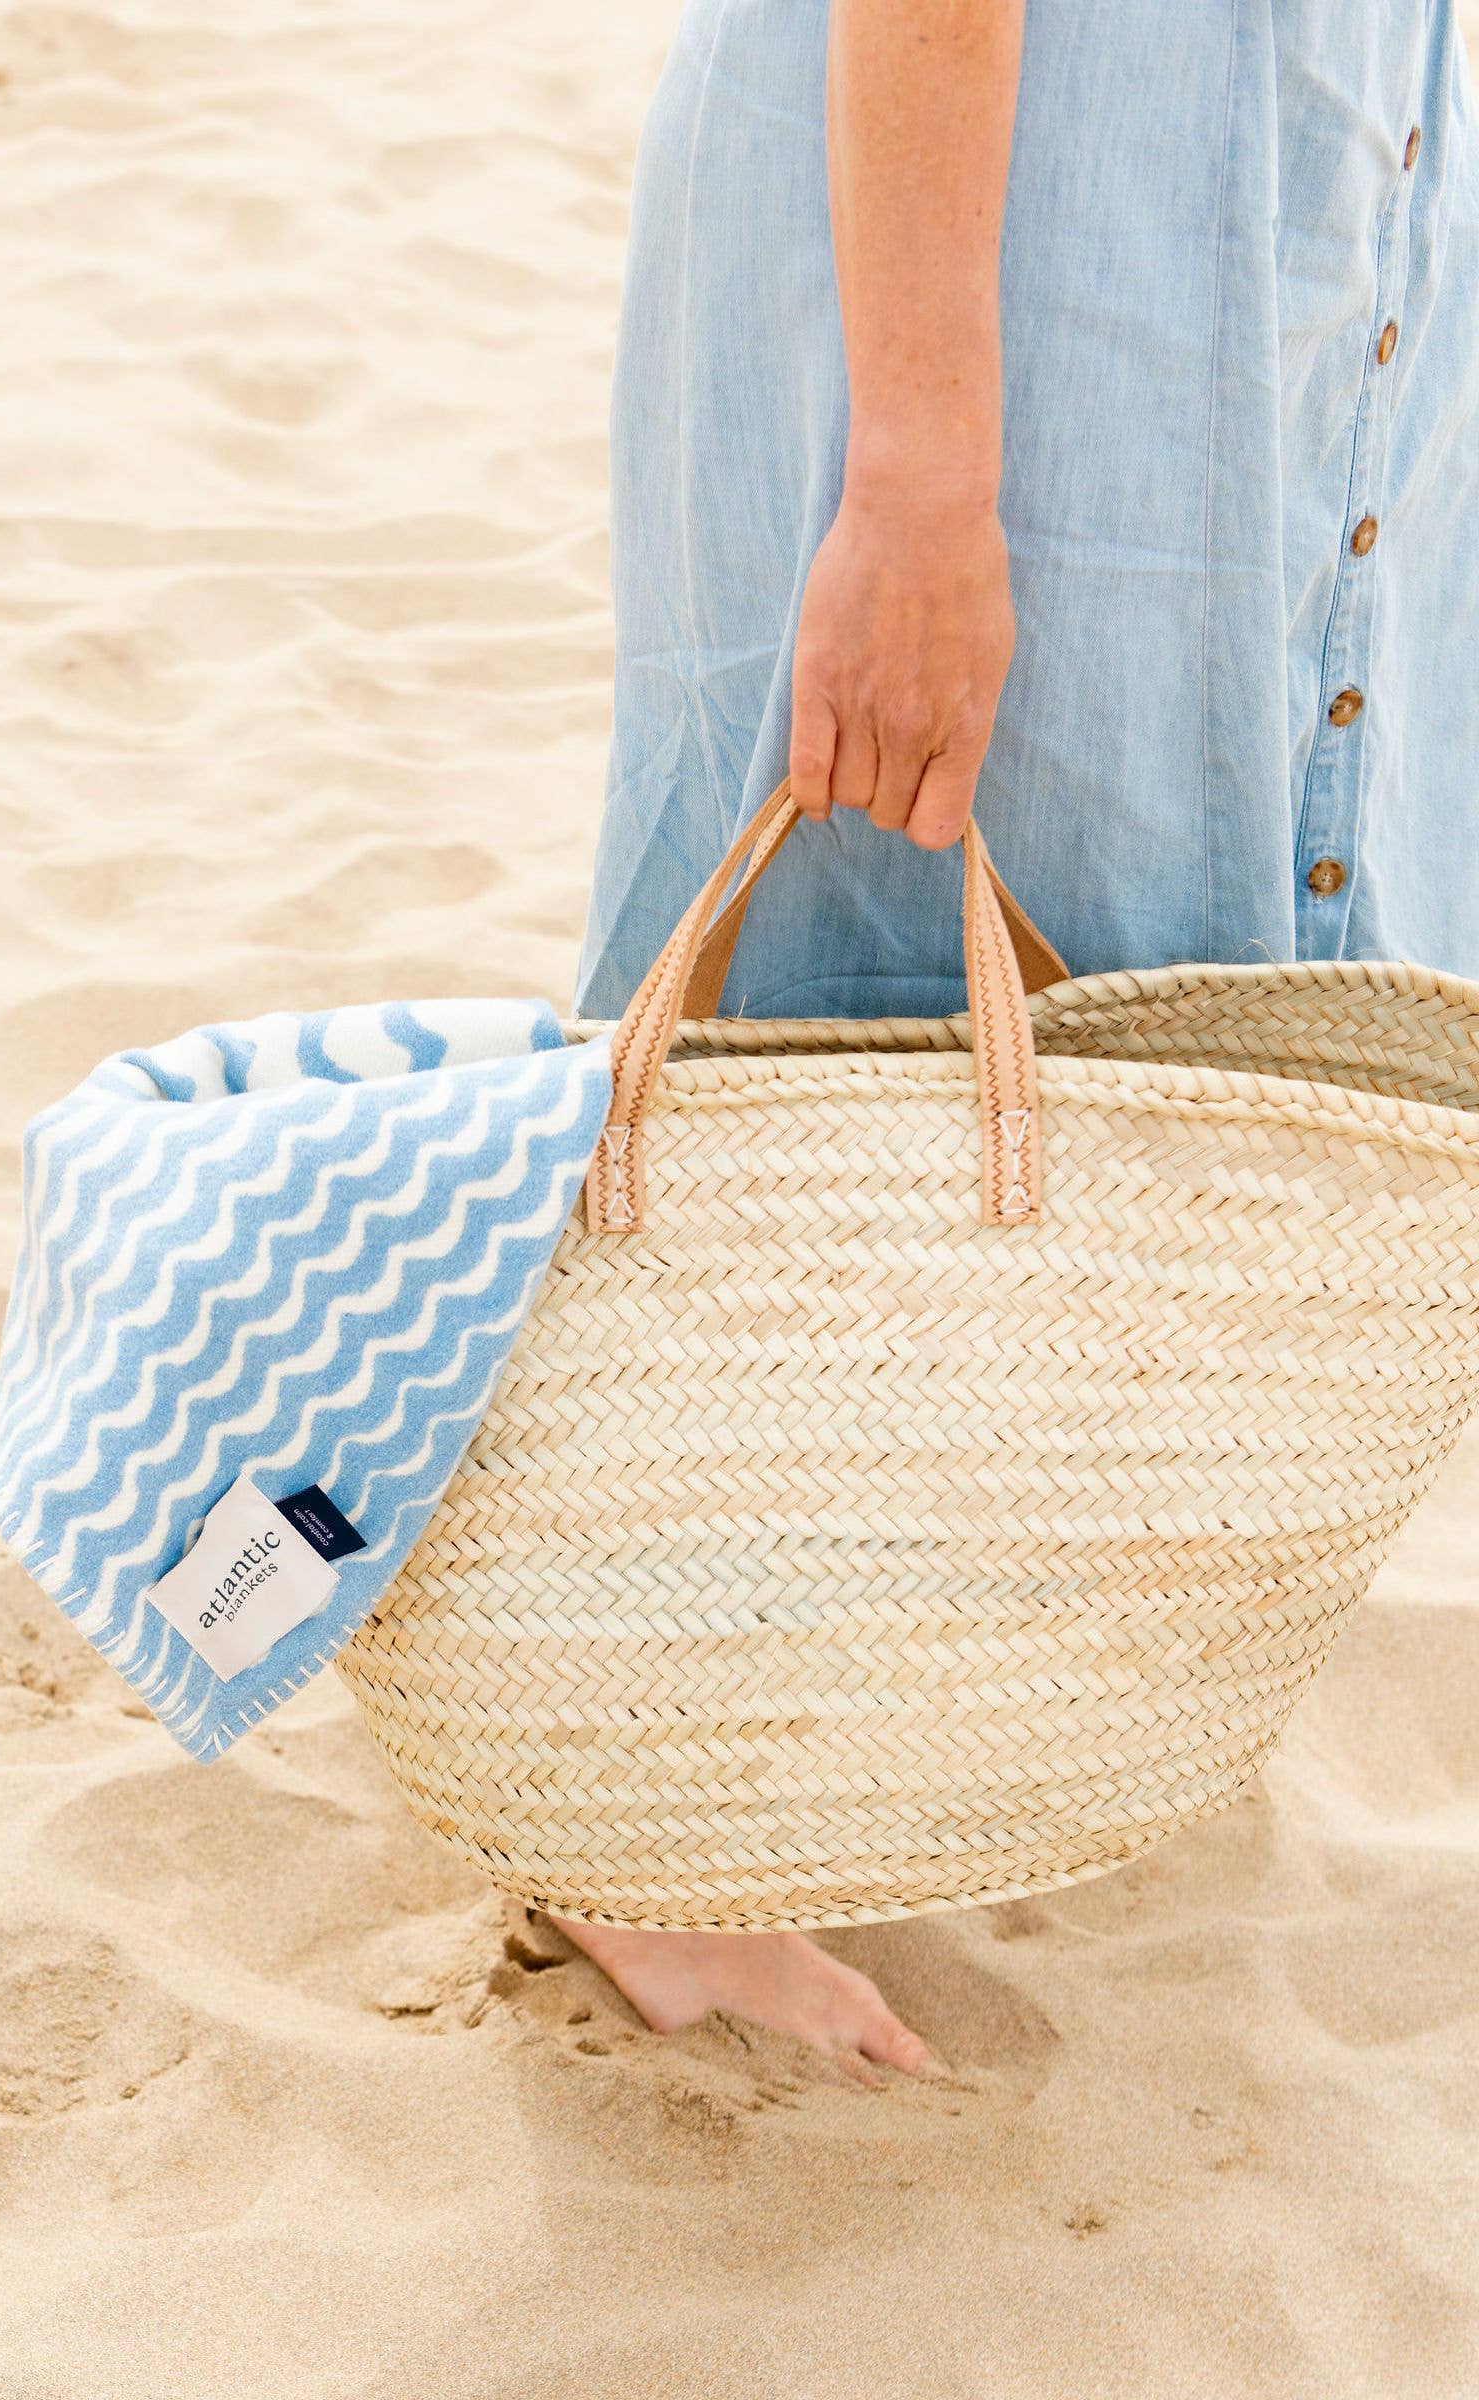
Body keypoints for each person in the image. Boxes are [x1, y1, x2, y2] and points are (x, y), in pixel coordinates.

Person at [561, 0, 1479, 2075]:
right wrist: (914, 469)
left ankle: (888, 1702)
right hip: (1006, 261)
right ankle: (642, 1818)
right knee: (827, 969)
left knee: (1146, 989)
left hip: (1295, 239)